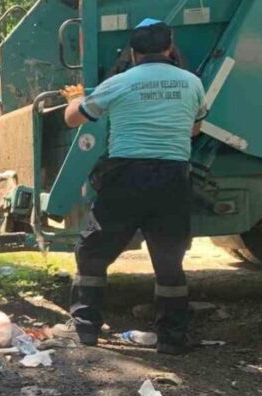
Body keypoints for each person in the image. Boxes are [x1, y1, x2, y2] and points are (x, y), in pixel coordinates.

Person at [53, 19, 207, 355]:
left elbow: (73, 118)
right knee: (169, 260)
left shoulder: (119, 82)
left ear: (134, 53)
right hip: (173, 179)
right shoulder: (192, 83)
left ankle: (86, 328)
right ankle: (172, 338)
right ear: (170, 48)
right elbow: (195, 129)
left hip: (125, 178)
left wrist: (78, 98)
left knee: (92, 253)